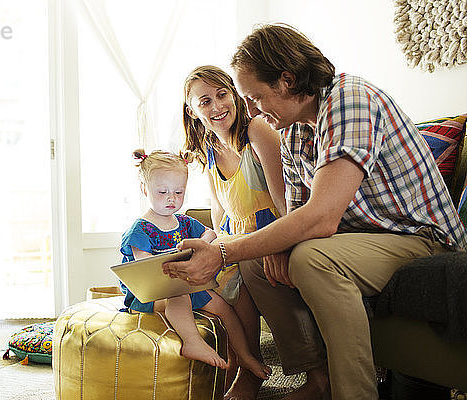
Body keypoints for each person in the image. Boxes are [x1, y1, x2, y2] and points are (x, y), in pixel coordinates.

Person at [164, 24, 467, 400]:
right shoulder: (293, 132)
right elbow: (296, 214)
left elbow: (320, 217)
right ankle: (316, 377)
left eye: (255, 97)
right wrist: (268, 246)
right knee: (259, 263)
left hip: (421, 239)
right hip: (363, 241)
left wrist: (225, 251)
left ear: (287, 81)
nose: (252, 110)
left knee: (311, 259)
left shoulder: (350, 100)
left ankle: (353, 393)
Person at [119, 148, 271, 381]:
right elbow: (146, 271)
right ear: (144, 189)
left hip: (188, 286)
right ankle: (192, 342)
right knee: (177, 295)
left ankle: (245, 356)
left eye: (178, 192)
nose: (172, 198)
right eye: (162, 192)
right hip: (151, 295)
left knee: (223, 307)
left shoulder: (184, 222)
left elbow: (210, 233)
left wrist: (202, 243)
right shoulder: (140, 229)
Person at [182, 65, 285, 399]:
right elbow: (219, 210)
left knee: (232, 271)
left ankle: (248, 369)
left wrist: (283, 243)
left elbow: (284, 198)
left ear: (235, 93)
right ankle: (233, 358)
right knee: (202, 271)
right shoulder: (209, 148)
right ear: (193, 111)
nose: (217, 107)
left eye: (222, 94)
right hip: (233, 233)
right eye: (205, 101)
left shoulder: (257, 131)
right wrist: (209, 242)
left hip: (268, 230)